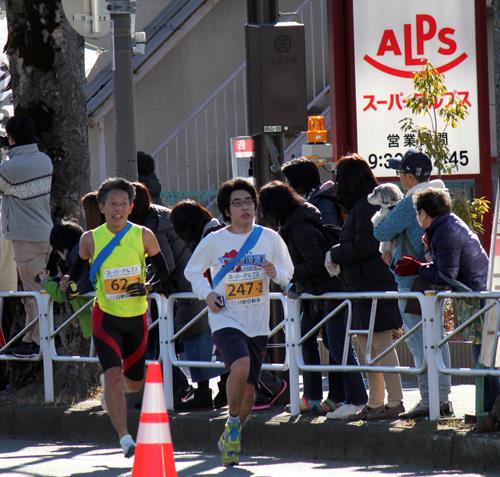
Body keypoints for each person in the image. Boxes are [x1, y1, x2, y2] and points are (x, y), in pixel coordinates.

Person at [184, 178, 293, 466]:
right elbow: (192, 271)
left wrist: (275, 272)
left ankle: (232, 432)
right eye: (237, 203)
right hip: (225, 317)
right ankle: (232, 424)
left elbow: (287, 273)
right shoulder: (215, 241)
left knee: (249, 391)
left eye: (248, 202)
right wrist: (207, 294)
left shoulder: (269, 238)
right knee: (240, 366)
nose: (244, 207)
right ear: (226, 210)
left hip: (257, 322)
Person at [67, 177, 169, 458]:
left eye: (124, 204)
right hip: (106, 319)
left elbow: (163, 271)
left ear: (131, 206)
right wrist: (70, 285)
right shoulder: (90, 239)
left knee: (133, 383)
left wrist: (147, 286)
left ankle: (110, 398)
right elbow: (77, 276)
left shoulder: (143, 235)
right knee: (112, 376)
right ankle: (125, 438)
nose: (118, 209)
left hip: (136, 318)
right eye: (113, 204)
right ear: (101, 207)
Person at [259, 181, 367, 415]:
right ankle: (321, 397)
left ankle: (354, 397)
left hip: (328, 290)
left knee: (336, 345)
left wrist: (288, 273)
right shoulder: (300, 218)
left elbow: (316, 262)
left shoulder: (299, 227)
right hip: (316, 291)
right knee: (318, 342)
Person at [396, 187, 498, 412]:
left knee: (483, 354)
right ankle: (489, 409)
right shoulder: (447, 225)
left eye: (417, 213)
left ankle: (490, 410)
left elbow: (445, 275)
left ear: (423, 213)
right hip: (480, 291)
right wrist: (424, 263)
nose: (417, 217)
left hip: (476, 295)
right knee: (484, 354)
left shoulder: (443, 232)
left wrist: (418, 267)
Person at [373, 149, 453, 418]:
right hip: (435, 279)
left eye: (400, 173)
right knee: (438, 340)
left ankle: (429, 400)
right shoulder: (439, 196)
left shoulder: (412, 201)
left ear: (409, 177)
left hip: (413, 281)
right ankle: (443, 399)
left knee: (421, 343)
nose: (398, 177)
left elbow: (381, 230)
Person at [130, 184, 224, 411]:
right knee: (198, 340)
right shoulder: (162, 217)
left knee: (189, 339)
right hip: (193, 289)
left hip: (187, 291)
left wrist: (147, 283)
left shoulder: (154, 225)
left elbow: (166, 263)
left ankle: (199, 393)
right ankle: (213, 391)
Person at [326, 153, 405, 421]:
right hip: (366, 285)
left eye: (338, 177)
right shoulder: (366, 205)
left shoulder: (364, 207)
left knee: (378, 345)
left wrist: (335, 253)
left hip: (372, 286)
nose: (335, 183)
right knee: (370, 346)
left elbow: (365, 245)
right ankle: (376, 402)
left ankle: (393, 401)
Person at [0, 115, 53, 357]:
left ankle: (39, 343)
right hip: (45, 231)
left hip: (25, 237)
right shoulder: (45, 161)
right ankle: (32, 338)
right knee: (38, 290)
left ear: (11, 137)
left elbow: (6, 185)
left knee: (33, 294)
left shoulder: (10, 168)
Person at [40, 220, 93, 339]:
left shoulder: (75, 261)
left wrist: (45, 281)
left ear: (62, 249)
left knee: (99, 356)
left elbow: (61, 295)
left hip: (93, 321)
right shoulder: (92, 250)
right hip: (109, 317)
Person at [281, 156, 341, 225]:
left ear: (298, 182)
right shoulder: (318, 200)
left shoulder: (322, 204)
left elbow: (331, 232)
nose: (288, 186)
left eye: (288, 182)